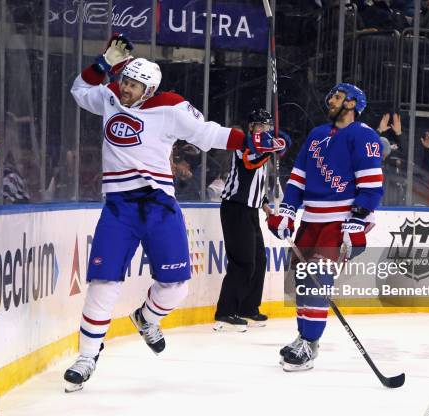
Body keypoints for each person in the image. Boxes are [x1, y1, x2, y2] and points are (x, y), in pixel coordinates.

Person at [64, 34, 281, 392]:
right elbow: (78, 90)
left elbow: (208, 132)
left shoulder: (171, 107)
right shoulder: (108, 97)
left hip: (159, 206)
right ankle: (86, 357)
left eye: (133, 85)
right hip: (118, 207)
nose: (125, 89)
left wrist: (248, 141)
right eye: (124, 81)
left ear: (148, 89)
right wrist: (102, 65)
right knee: (103, 283)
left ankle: (146, 318)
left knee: (176, 286)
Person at [267, 83, 383, 372]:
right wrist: (287, 212)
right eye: (331, 94)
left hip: (339, 221)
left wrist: (357, 220)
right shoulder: (317, 134)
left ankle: (309, 342)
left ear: (353, 103)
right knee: (303, 282)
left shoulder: (363, 135)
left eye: (338, 96)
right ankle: (305, 338)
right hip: (311, 221)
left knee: (318, 280)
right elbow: (298, 178)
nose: (331, 99)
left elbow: (371, 184)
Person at [213, 109, 290, 331]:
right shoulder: (245, 146)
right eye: (259, 125)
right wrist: (273, 145)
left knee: (259, 260)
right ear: (250, 127)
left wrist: (265, 206)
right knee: (243, 262)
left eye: (266, 126)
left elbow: (256, 184)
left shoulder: (264, 146)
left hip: (251, 210)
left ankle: (248, 307)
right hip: (235, 208)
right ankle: (226, 312)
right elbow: (250, 163)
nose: (262, 129)